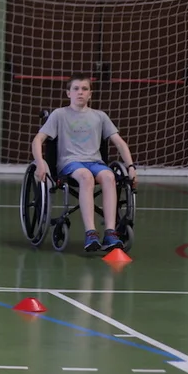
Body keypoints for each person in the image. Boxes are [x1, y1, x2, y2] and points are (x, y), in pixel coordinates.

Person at [32, 74, 137, 252]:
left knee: (109, 176)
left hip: (95, 162)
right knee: (86, 177)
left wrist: (131, 167)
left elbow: (119, 143)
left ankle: (110, 233)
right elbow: (37, 140)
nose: (80, 92)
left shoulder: (100, 116)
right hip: (70, 162)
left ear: (90, 94)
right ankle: (91, 233)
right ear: (68, 93)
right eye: (76, 89)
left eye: (84, 89)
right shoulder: (59, 114)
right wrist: (40, 163)